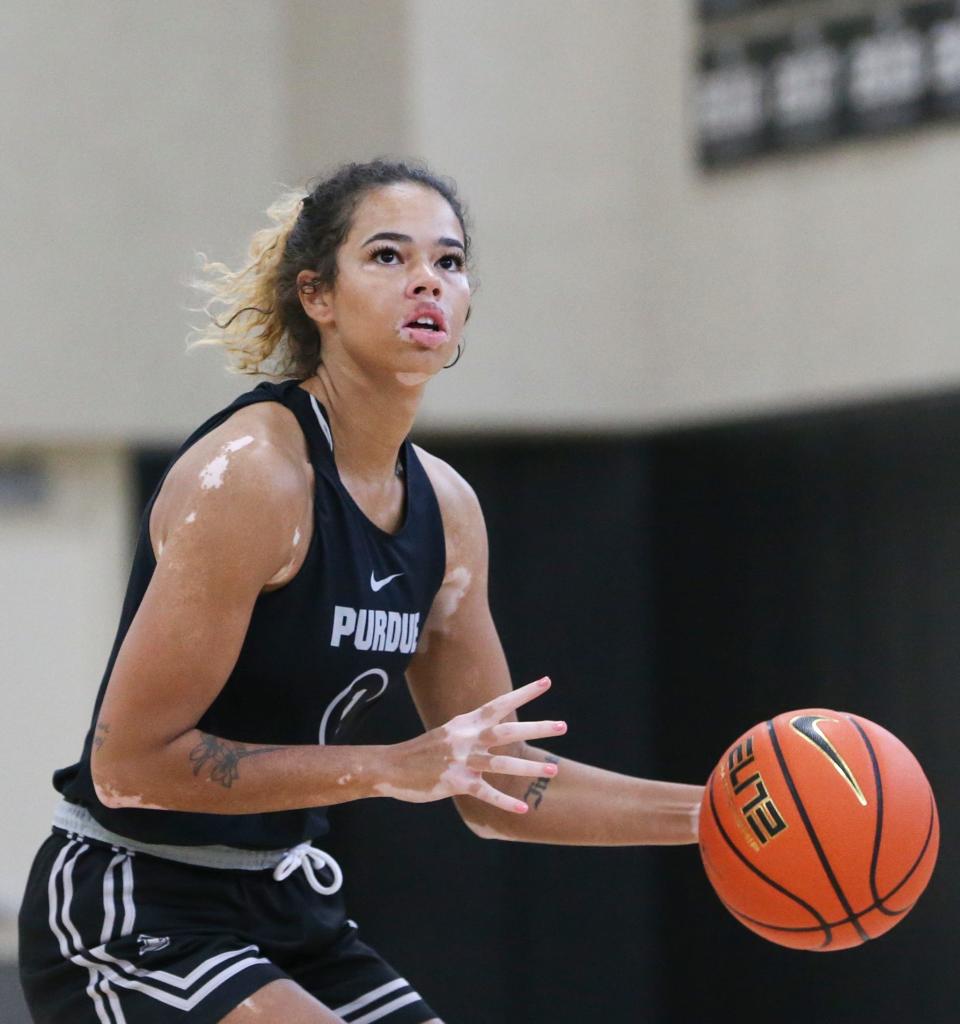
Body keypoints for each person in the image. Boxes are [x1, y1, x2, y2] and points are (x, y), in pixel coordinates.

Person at [18, 159, 704, 1024]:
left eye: (449, 263)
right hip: (135, 902)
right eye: (387, 256)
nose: (426, 279)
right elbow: (128, 769)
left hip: (285, 903)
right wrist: (387, 770)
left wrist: (718, 817)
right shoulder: (255, 478)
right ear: (318, 296)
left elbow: (501, 788)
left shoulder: (447, 512)